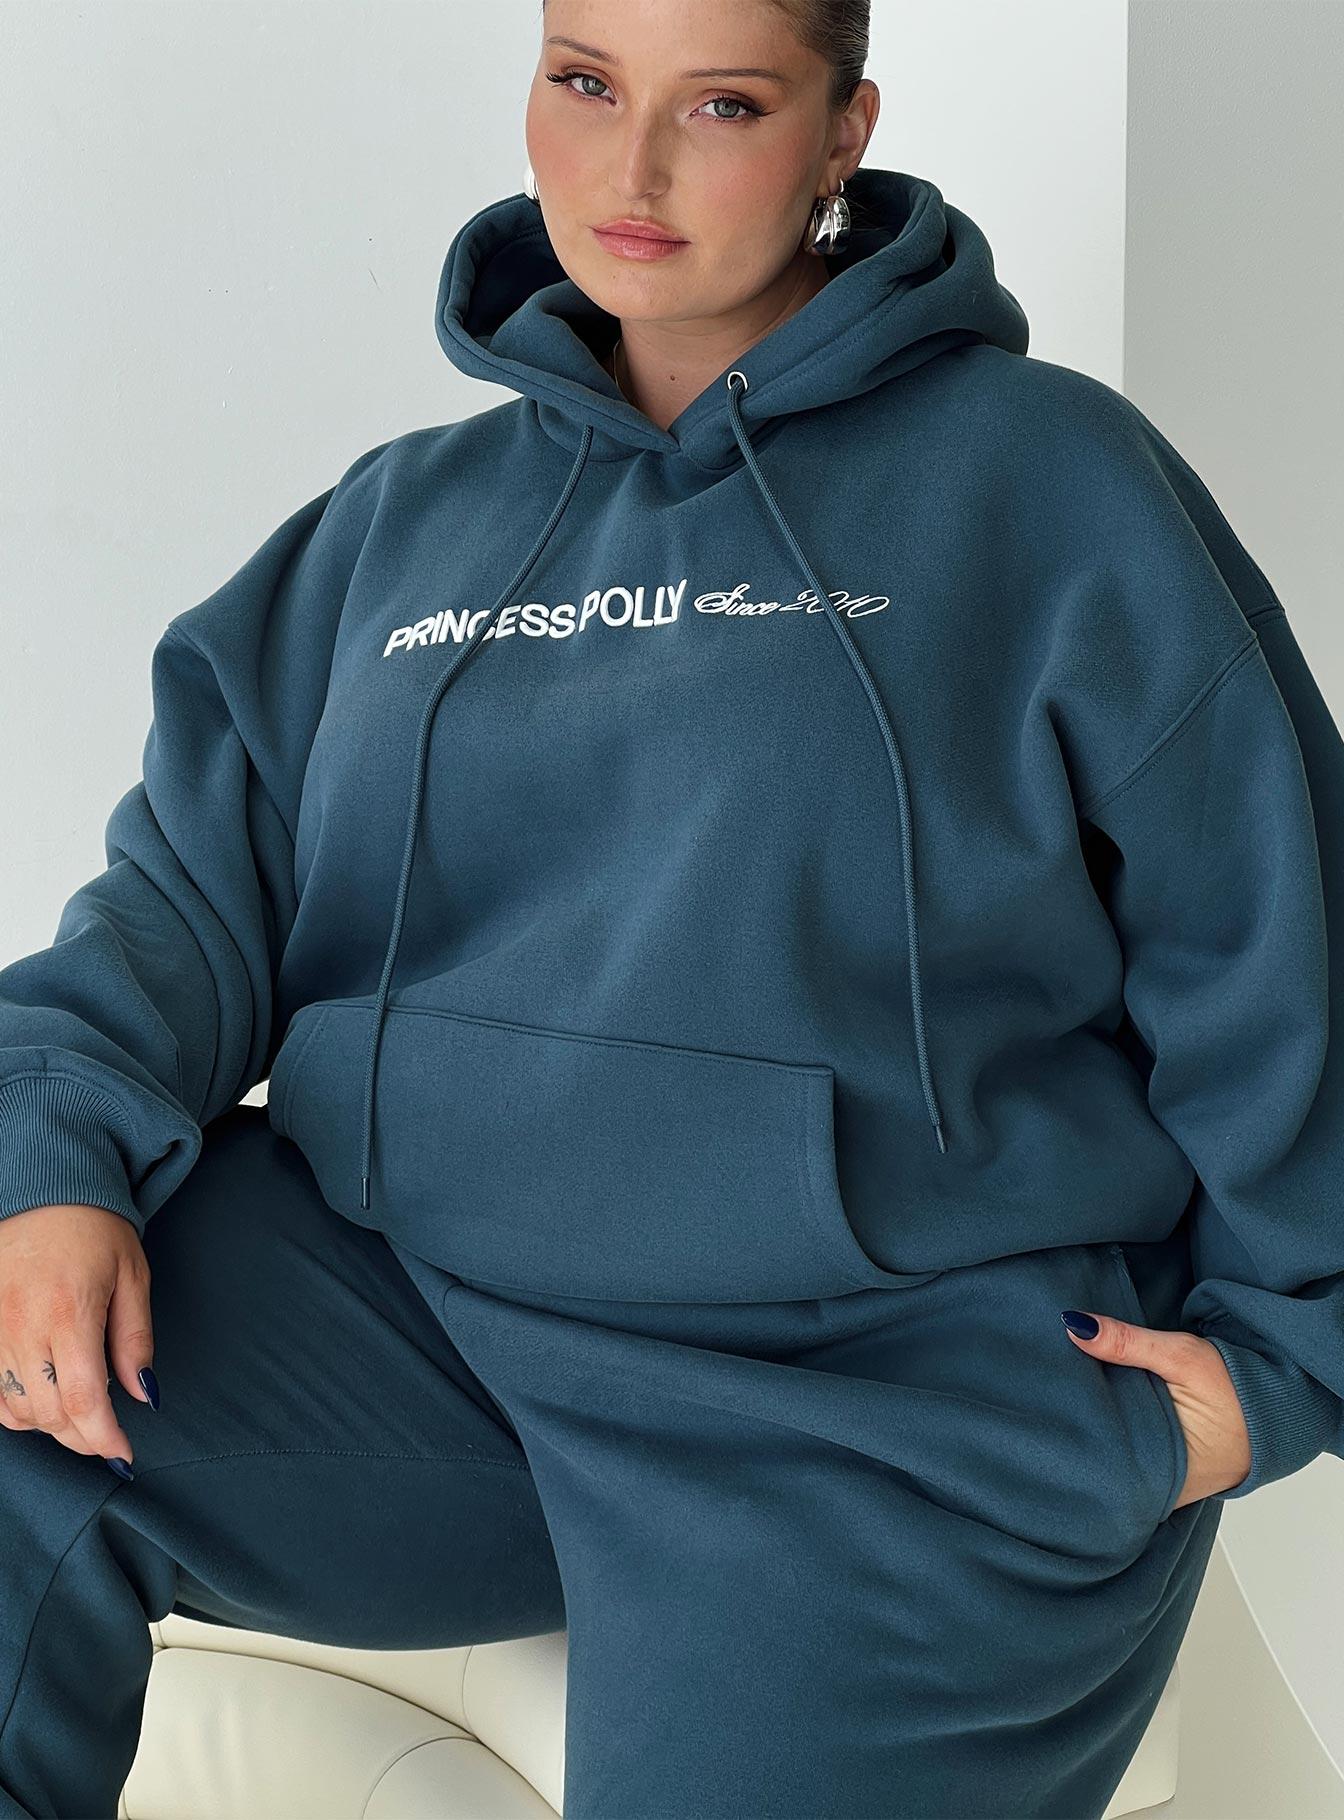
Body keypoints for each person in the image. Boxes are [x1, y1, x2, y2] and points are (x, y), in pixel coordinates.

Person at [2, 2, 1342, 1815]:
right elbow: (179, 902)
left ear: (842, 130)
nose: (629, 169)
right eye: (585, 84)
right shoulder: (402, 523)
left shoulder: (1053, 487)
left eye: (721, 104)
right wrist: (51, 1161)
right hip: (423, 1324)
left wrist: (1285, 1365)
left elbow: (1271, 930)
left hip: (878, 1403)